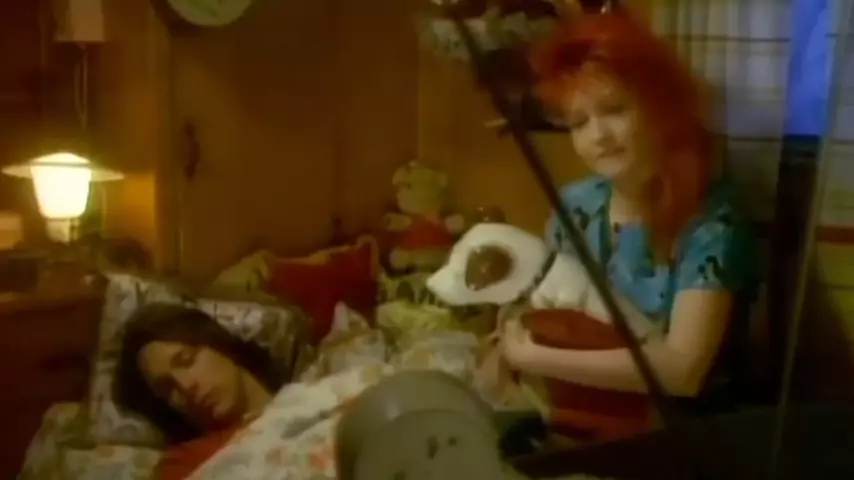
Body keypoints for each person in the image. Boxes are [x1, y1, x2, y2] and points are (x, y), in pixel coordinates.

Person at [499, 12, 760, 400]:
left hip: (681, 426)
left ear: (660, 108)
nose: (599, 136)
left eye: (615, 110)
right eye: (579, 122)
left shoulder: (712, 220)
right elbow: (545, 307)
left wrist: (534, 358)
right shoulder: (576, 205)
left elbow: (683, 372)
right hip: (580, 408)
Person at [113, 303, 290, 479]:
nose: (185, 385)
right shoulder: (185, 464)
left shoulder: (302, 398)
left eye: (186, 360)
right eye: (167, 387)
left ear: (217, 342)